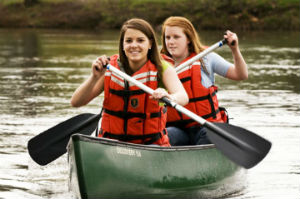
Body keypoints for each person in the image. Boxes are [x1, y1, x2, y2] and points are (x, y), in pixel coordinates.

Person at [71, 18, 188, 147]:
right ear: (122, 44)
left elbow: (183, 97)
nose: (134, 45)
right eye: (128, 41)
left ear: (150, 44)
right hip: (111, 144)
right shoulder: (110, 68)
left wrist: (169, 97)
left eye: (140, 40)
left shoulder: (162, 69)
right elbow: (76, 102)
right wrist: (94, 77)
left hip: (149, 145)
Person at [160, 16, 248, 146]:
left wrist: (234, 49)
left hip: (206, 127)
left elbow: (241, 74)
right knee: (165, 135)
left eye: (176, 37)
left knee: (210, 134)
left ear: (188, 39)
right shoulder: (160, 65)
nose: (171, 42)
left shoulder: (206, 58)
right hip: (177, 129)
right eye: (168, 38)